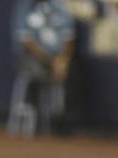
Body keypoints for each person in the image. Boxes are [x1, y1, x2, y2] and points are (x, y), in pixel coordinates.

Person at [7, 0, 76, 137]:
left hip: (57, 59)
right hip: (33, 58)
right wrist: (51, 62)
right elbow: (25, 39)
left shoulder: (59, 6)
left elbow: (69, 37)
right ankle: (36, 119)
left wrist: (63, 61)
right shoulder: (25, 6)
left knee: (76, 76)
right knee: (34, 74)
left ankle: (61, 121)